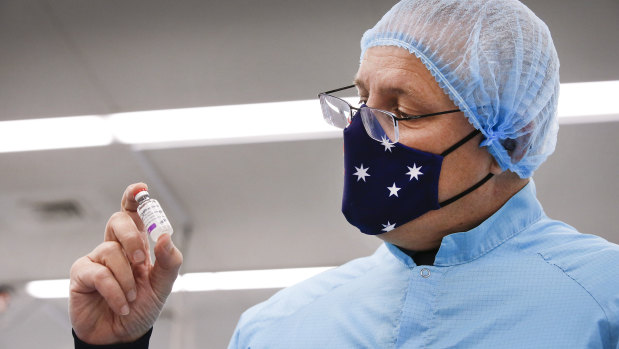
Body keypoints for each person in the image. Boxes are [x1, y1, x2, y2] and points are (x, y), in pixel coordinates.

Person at [69, 0, 619, 348]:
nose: (361, 133)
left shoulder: (603, 299)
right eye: (358, 103)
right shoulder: (277, 329)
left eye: (400, 111)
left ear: (510, 138)